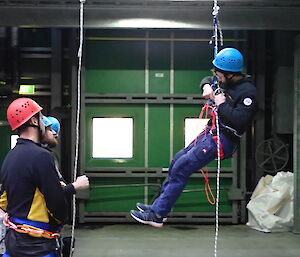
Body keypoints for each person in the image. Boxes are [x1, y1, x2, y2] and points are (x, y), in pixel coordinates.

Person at [130, 47, 257, 228]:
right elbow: (208, 79)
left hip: (223, 140)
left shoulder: (247, 92)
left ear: (230, 74)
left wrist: (221, 105)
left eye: (218, 74)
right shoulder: (225, 81)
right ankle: (158, 207)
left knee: (182, 169)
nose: (215, 76)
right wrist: (206, 86)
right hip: (211, 132)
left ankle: (157, 215)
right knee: (176, 161)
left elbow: (240, 122)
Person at [0, 98, 68, 257]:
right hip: (38, 245)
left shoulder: (10, 156)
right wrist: (60, 220)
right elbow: (56, 203)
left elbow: (4, 199)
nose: (44, 122)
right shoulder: (41, 156)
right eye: (41, 117)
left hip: (15, 242)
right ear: (33, 120)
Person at [41, 116, 89, 197]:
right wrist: (75, 186)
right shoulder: (43, 157)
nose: (53, 133)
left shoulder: (48, 155)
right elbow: (51, 193)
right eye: (49, 130)